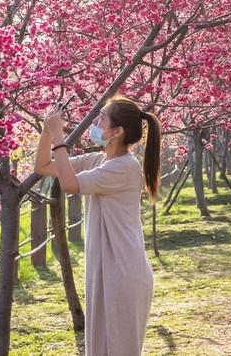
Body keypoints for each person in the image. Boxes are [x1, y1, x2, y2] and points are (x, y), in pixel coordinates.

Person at [35, 95, 161, 356]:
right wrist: (48, 131)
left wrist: (59, 136)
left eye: (101, 117)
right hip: (105, 269)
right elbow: (44, 166)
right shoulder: (98, 160)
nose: (95, 122)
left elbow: (69, 185)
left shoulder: (125, 167)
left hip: (123, 272)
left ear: (117, 131)